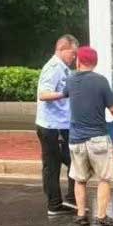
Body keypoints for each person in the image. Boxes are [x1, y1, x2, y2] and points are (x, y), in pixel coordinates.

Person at [54, 46, 113, 226]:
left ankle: (81, 215)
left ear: (79, 61)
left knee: (80, 179)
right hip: (98, 139)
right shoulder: (101, 81)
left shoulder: (71, 80)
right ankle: (101, 217)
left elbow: (63, 94)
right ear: (95, 63)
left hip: (76, 140)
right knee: (104, 178)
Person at [36, 34, 79, 216]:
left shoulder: (63, 68)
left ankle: (69, 200)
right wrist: (64, 94)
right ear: (61, 49)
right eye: (72, 53)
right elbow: (43, 94)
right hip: (53, 126)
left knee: (72, 162)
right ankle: (56, 204)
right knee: (56, 165)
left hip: (61, 125)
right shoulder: (53, 68)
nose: (74, 57)